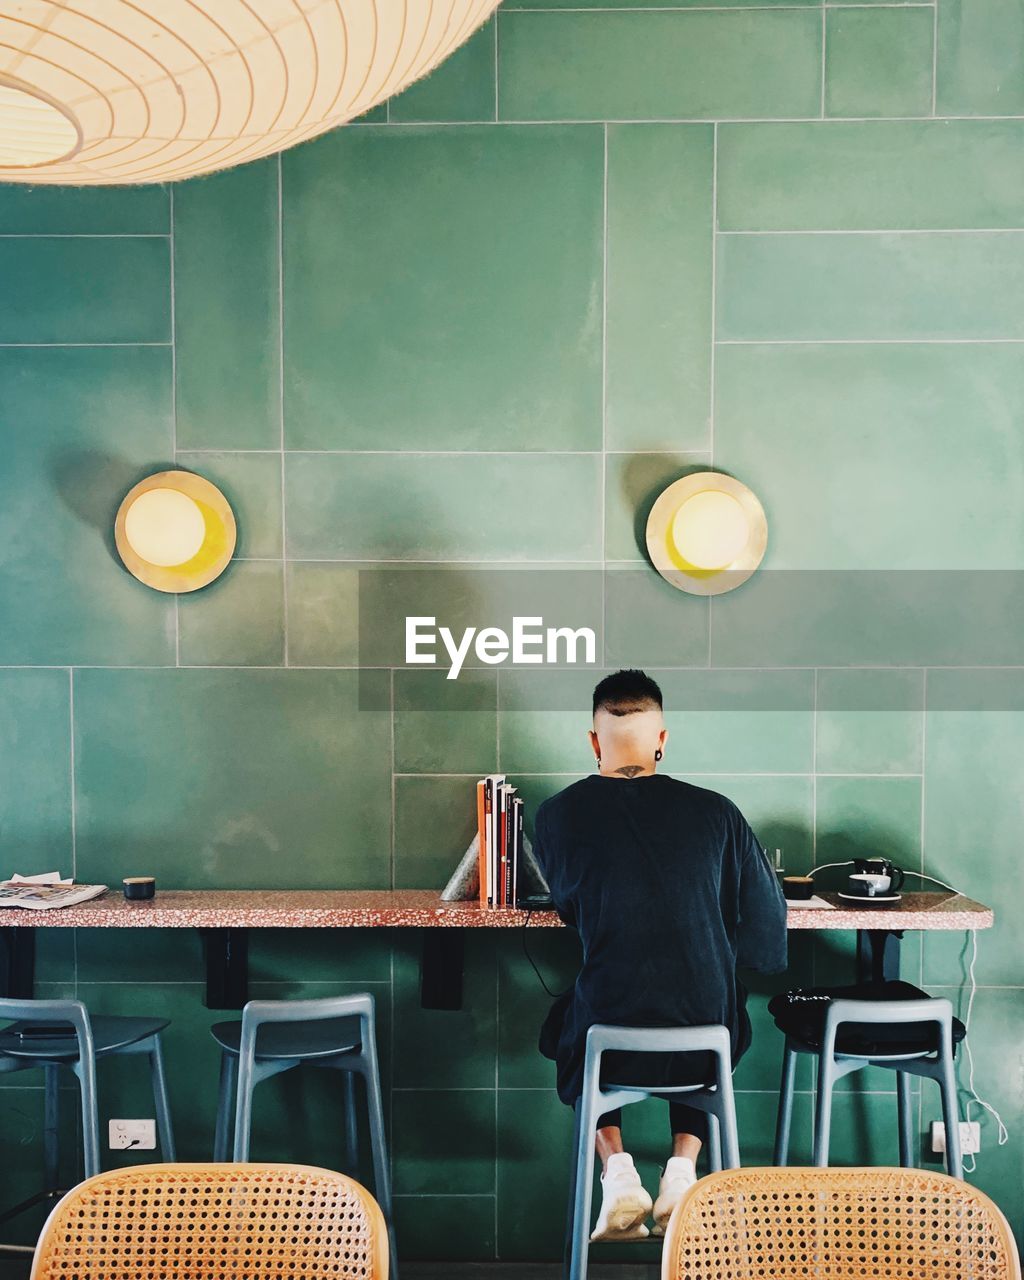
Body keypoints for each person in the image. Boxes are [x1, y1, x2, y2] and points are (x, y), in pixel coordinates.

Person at [532, 669, 787, 1241]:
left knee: (569, 1024)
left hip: (610, 1038)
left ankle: (618, 1171)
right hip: (703, 1040)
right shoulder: (718, 812)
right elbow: (767, 927)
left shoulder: (555, 815)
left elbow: (570, 905)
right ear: (662, 741)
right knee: (715, 1005)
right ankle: (682, 1170)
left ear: (594, 742)